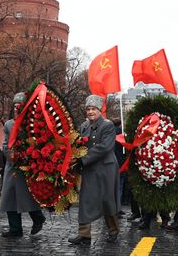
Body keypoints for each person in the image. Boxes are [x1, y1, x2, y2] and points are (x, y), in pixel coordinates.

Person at [68, 95, 120, 246]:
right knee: (85, 199)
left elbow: (104, 147)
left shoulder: (107, 125)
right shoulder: (84, 126)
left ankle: (113, 230)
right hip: (89, 168)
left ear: (100, 111)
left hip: (105, 167)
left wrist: (82, 159)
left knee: (107, 200)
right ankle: (84, 235)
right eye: (88, 109)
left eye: (93, 109)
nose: (90, 112)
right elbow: (77, 143)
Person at [0, 92, 46, 237]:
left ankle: (38, 218)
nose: (16, 108)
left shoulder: (32, 123)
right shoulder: (9, 124)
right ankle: (15, 229)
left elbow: (38, 142)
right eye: (14, 105)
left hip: (28, 166)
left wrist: (27, 157)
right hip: (12, 165)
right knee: (9, 197)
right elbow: (6, 144)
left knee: (28, 195)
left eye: (19, 105)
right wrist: (11, 155)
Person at [113, 119, 126, 216]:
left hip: (110, 164)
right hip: (120, 164)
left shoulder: (108, 134)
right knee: (119, 187)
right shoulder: (121, 135)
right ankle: (117, 208)